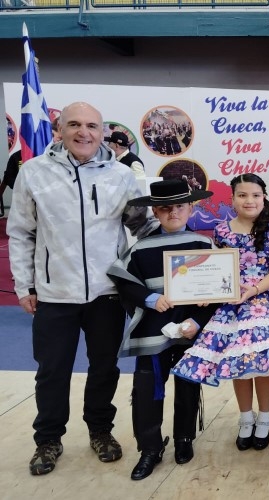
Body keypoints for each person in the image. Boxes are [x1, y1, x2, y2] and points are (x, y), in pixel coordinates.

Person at [7, 101, 158, 476]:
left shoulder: (120, 175)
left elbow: (141, 226)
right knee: (51, 371)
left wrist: (185, 247)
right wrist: (25, 283)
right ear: (59, 130)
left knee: (104, 367)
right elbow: (21, 232)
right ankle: (48, 439)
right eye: (74, 124)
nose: (83, 132)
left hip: (108, 292)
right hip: (53, 292)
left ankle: (100, 430)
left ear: (103, 132)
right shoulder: (34, 173)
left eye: (92, 125)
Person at [172, 173, 269, 451]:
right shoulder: (222, 230)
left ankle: (265, 419)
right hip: (232, 305)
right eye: (243, 195)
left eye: (256, 195)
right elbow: (216, 268)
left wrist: (254, 289)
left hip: (267, 301)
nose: (250, 200)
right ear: (232, 199)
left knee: (263, 364)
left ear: (264, 197)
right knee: (239, 365)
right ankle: (246, 419)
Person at [107, 179, 214, 480]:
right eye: (165, 208)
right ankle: (150, 448)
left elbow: (218, 290)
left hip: (190, 332)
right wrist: (149, 298)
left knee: (188, 384)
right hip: (154, 333)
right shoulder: (140, 249)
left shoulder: (203, 246)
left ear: (191, 207)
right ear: (155, 211)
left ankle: (183, 438)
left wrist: (197, 321)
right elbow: (121, 277)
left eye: (180, 206)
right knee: (147, 390)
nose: (173, 212)